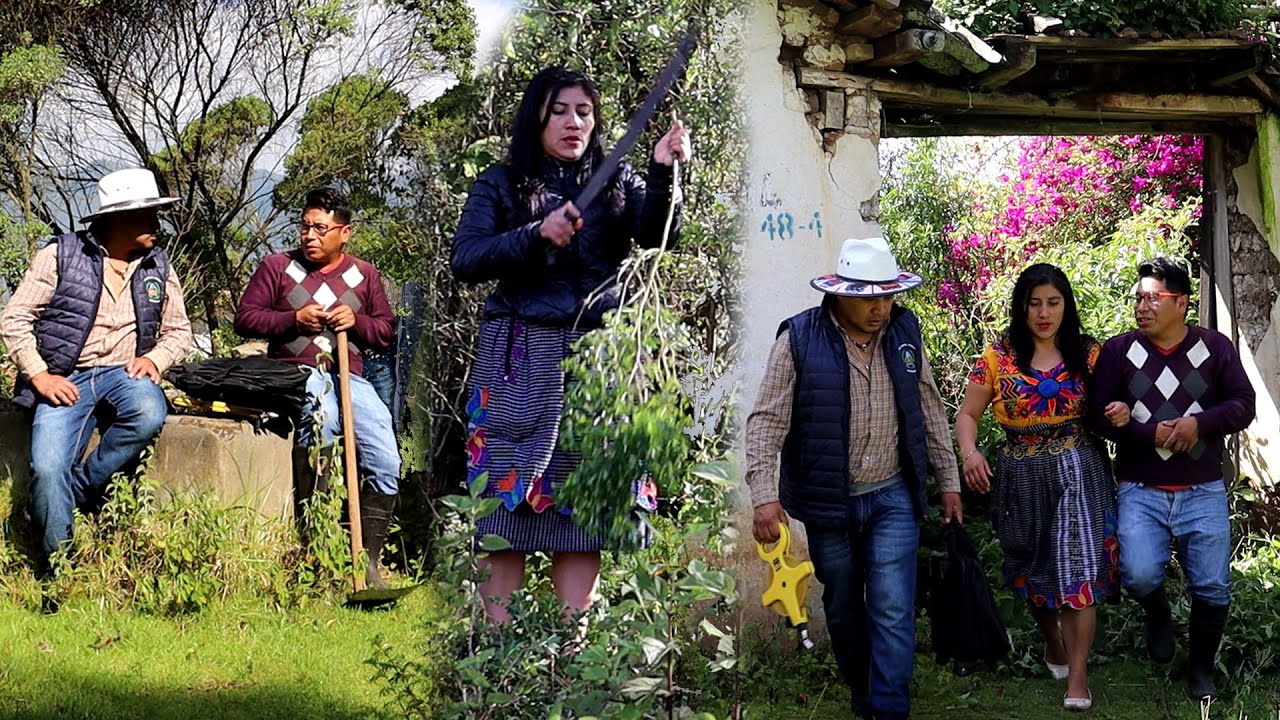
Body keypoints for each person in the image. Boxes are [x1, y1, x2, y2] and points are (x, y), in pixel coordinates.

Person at [451, 66, 691, 624]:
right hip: (520, 359)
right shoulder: (502, 182)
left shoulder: (618, 179)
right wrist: (534, 235)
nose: (573, 122)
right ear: (536, 117)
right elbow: (466, 258)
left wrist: (662, 171)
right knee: (503, 513)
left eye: (584, 112)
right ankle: (499, 655)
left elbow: (661, 236)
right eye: (559, 110)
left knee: (584, 513)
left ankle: (570, 651)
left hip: (597, 365)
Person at [744, 236, 962, 720]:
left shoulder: (905, 332)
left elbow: (928, 405)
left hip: (892, 496)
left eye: (887, 296)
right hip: (829, 503)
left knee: (891, 607)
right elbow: (767, 420)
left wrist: (948, 479)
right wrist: (764, 496)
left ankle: (887, 709)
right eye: (868, 298)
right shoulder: (799, 339)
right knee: (843, 606)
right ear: (841, 294)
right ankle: (864, 693)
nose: (880, 308)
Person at [0, 167, 193, 575]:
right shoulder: (61, 255)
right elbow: (14, 319)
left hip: (123, 373)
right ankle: (58, 569)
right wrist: (40, 376)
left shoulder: (158, 264)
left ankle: (82, 490)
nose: (158, 224)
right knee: (48, 468)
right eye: (149, 214)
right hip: (64, 378)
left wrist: (154, 360)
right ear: (118, 217)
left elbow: (180, 331)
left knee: (148, 412)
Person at [1088, 257, 1255, 702]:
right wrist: (1143, 430)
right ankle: (1157, 613)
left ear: (1180, 303)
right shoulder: (1118, 351)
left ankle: (1201, 671)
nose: (1142, 307)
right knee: (1139, 575)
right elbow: (1096, 417)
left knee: (1212, 584)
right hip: (1140, 488)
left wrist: (1199, 425)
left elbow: (1244, 404)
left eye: (1152, 298)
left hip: (1203, 488)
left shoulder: (1214, 348)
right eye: (1138, 298)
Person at [955, 263, 1118, 711]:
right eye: (1034, 304)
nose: (1044, 313)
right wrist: (971, 454)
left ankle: (1078, 680)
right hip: (1019, 473)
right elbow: (968, 415)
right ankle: (1053, 642)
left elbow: (1115, 406)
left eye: (1053, 302)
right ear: (1021, 308)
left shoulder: (1090, 355)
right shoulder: (996, 358)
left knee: (1078, 565)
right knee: (1030, 568)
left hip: (1078, 469)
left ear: (1066, 304)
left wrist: (1121, 414)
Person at [233, 187, 400, 589]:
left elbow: (385, 332)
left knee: (384, 454)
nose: (309, 236)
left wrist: (356, 322)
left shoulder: (364, 275)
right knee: (320, 424)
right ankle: (315, 551)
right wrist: (293, 320)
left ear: (345, 233)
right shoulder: (277, 267)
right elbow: (245, 319)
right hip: (295, 375)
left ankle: (369, 564)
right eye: (305, 227)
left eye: (320, 229)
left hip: (350, 376)